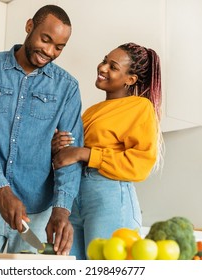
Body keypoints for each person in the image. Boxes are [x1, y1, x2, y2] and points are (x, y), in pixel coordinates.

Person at [0, 5, 83, 258]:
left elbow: (68, 154)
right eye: (45, 39)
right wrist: (1, 191)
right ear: (29, 27)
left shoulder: (67, 87)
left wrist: (61, 210)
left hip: (38, 214)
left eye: (59, 47)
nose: (49, 51)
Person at [52, 42, 164, 259]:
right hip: (76, 195)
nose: (103, 68)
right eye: (104, 61)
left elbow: (140, 164)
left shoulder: (140, 107)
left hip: (110, 195)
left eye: (113, 67)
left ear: (130, 79)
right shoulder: (91, 110)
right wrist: (57, 145)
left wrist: (83, 153)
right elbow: (72, 152)